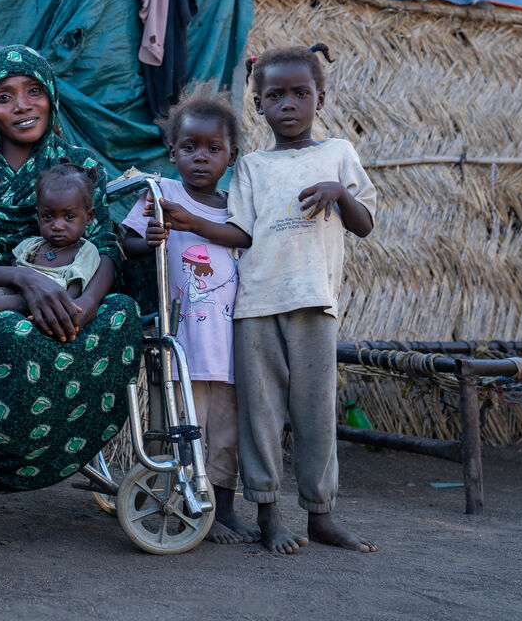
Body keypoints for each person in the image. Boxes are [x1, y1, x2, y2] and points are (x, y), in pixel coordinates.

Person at [157, 43, 377, 554]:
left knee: (316, 415)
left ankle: (321, 515)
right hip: (254, 308)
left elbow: (365, 225)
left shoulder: (339, 154)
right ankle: (270, 515)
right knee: (259, 418)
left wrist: (340, 193)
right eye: (275, 95)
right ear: (258, 105)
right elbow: (242, 233)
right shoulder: (251, 167)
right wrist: (192, 223)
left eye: (301, 93)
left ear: (319, 98)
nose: (289, 104)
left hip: (314, 305)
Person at [0, 44, 142, 493]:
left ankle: (69, 446)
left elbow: (105, 247)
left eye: (33, 91)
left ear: (51, 96)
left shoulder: (79, 165)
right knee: (15, 332)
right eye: (4, 96)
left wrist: (85, 305)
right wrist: (25, 279)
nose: (22, 106)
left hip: (74, 295)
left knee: (121, 312)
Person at [120, 90, 260, 545]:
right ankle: (173, 499)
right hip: (182, 344)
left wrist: (193, 225)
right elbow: (125, 243)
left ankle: (222, 509)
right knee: (179, 427)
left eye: (213, 149)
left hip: (231, 345)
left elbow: (245, 241)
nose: (201, 157)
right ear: (172, 151)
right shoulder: (160, 193)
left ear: (231, 155)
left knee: (225, 436)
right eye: (190, 147)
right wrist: (152, 238)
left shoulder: (238, 206)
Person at [0, 160, 101, 326]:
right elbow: (12, 271)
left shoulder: (86, 251)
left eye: (69, 217)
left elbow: (73, 292)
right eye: (48, 216)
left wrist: (64, 310)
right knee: (0, 291)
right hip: (18, 291)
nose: (57, 226)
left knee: (22, 300)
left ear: (89, 217)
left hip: (48, 304)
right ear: (38, 216)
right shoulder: (31, 245)